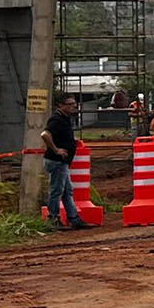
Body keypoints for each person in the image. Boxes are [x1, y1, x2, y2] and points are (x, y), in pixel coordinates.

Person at [41, 98, 90, 230]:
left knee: (67, 191)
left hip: (62, 162)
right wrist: (56, 150)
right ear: (60, 105)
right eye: (69, 104)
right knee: (57, 190)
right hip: (56, 161)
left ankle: (73, 218)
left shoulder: (65, 119)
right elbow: (45, 134)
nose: (73, 107)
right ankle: (53, 218)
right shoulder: (57, 119)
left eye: (74, 104)